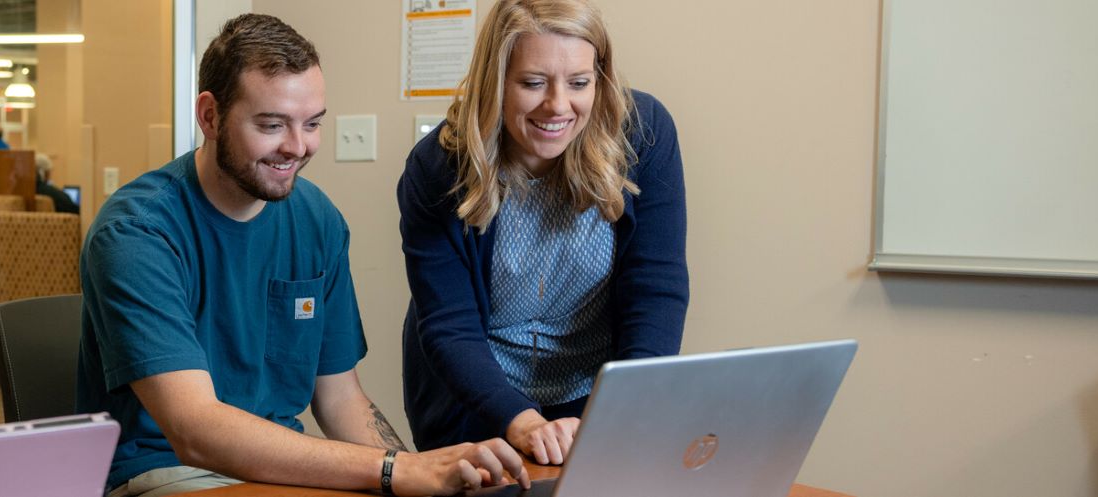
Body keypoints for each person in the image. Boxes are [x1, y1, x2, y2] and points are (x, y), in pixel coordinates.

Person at [77, 14, 529, 497]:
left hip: (278, 471)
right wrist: (392, 472)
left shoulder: (317, 220)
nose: (297, 147)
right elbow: (196, 432)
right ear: (209, 116)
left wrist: (417, 471)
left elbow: (339, 399)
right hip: (165, 472)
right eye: (272, 125)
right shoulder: (137, 233)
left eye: (311, 124)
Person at [398, 0, 688, 466]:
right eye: (533, 83)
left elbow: (656, 290)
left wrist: (621, 410)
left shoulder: (644, 134)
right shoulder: (436, 168)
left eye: (579, 83)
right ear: (496, 82)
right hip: (474, 399)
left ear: (601, 76)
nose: (558, 105)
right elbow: (450, 324)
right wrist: (523, 422)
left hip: (593, 395)